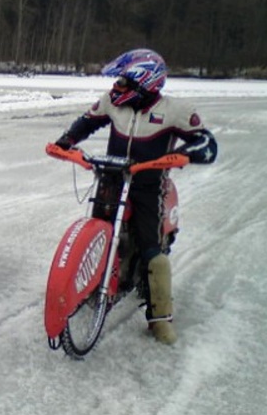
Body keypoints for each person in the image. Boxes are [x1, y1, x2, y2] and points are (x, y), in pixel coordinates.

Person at [52, 48, 217, 344]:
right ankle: (91, 283)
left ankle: (160, 317)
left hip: (147, 187)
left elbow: (207, 144)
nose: (117, 88)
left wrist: (180, 155)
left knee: (152, 249)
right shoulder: (113, 103)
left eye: (124, 82)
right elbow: (86, 122)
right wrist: (66, 141)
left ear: (145, 82)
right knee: (97, 233)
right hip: (111, 179)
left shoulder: (174, 110)